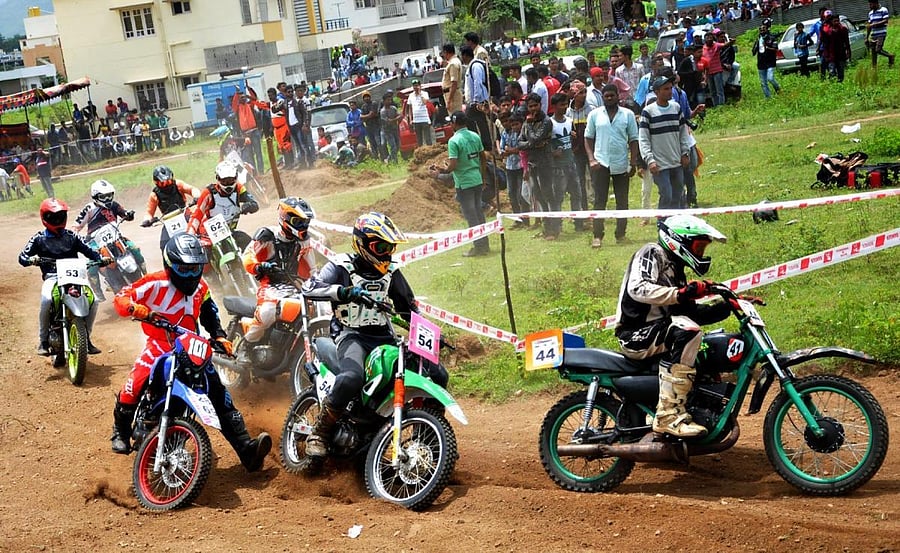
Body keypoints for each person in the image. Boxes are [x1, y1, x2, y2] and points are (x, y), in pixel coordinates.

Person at [108, 233, 272, 471]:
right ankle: (120, 431)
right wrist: (135, 308)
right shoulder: (154, 282)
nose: (190, 274)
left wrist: (219, 336)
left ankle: (247, 449)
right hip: (159, 344)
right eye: (184, 269)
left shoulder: (201, 288)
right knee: (134, 384)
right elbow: (122, 297)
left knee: (219, 394)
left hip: (191, 345)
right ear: (170, 264)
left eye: (195, 268)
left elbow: (209, 313)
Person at [302, 212, 437, 458]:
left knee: (436, 373)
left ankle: (428, 439)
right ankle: (319, 433)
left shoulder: (392, 272)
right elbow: (309, 287)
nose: (386, 254)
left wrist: (431, 335)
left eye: (390, 248)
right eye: (381, 247)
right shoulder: (341, 266)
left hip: (384, 336)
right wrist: (344, 292)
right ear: (362, 243)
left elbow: (409, 309)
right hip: (351, 334)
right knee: (352, 377)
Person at [614, 215, 732, 437]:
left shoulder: (676, 269)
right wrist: (681, 293)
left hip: (657, 331)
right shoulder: (651, 252)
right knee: (687, 331)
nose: (701, 254)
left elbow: (688, 312)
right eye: (698, 247)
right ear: (679, 241)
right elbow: (638, 288)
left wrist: (727, 307)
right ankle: (667, 415)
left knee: (701, 344)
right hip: (634, 334)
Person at [18, 199, 110, 356]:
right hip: (52, 277)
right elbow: (22, 257)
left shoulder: (72, 236)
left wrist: (101, 258)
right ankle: (43, 341)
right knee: (47, 300)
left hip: (75, 276)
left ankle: (86, 338)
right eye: (53, 216)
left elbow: (90, 251)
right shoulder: (38, 238)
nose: (57, 219)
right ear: (45, 217)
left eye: (60, 216)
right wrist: (31, 260)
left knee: (94, 301)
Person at [240, 197, 317, 347]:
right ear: (284, 218)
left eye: (305, 222)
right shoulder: (267, 235)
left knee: (317, 307)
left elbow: (313, 269)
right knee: (268, 312)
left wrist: (320, 281)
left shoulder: (304, 241)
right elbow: (248, 255)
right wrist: (259, 266)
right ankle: (246, 345)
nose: (303, 226)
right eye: (298, 222)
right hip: (270, 285)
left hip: (294, 286)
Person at [585, 83, 640, 249]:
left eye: (612, 95)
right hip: (600, 163)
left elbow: (633, 139)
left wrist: (633, 162)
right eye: (606, 96)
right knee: (599, 201)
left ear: (618, 96)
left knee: (622, 201)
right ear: (603, 97)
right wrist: (591, 159)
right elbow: (588, 138)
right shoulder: (595, 115)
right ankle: (597, 236)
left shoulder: (628, 115)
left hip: (621, 163)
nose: (609, 98)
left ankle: (620, 234)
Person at [429, 111, 490, 256]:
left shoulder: (454, 141)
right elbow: (483, 158)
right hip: (476, 179)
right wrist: (482, 176)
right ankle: (484, 244)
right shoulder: (475, 136)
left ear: (454, 123)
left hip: (464, 182)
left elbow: (453, 166)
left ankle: (478, 247)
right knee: (479, 213)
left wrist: (441, 170)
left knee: (471, 215)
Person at [73, 180, 146, 301]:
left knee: (134, 249)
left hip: (116, 236)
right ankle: (97, 291)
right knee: (92, 264)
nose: (107, 199)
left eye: (109, 195)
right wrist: (74, 234)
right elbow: (77, 225)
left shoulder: (114, 205)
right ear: (95, 196)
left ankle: (146, 275)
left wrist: (129, 214)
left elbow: (124, 213)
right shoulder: (89, 208)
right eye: (103, 197)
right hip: (94, 240)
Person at [638, 75, 691, 210]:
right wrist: (650, 160)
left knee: (678, 194)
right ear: (657, 92)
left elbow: (683, 133)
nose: (669, 91)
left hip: (676, 161)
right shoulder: (648, 112)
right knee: (666, 194)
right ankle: (662, 220)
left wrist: (685, 152)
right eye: (666, 89)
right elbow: (643, 139)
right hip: (660, 163)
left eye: (670, 88)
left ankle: (675, 220)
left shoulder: (676, 108)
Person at [187, 161, 259, 253]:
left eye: (230, 180)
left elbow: (254, 203)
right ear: (218, 178)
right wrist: (189, 236)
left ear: (236, 177)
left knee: (250, 245)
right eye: (224, 181)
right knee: (204, 255)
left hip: (229, 233)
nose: (228, 184)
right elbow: (197, 216)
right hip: (209, 236)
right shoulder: (208, 193)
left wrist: (249, 205)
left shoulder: (239, 189)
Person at [518, 93, 558, 240]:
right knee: (538, 195)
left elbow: (535, 138)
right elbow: (519, 143)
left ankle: (555, 228)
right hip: (532, 163)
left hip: (545, 163)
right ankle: (547, 228)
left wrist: (531, 136)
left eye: (535, 105)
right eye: (530, 106)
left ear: (540, 105)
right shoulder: (527, 121)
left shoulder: (546, 122)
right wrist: (532, 144)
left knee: (548, 194)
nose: (533, 109)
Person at [140, 165, 201, 251]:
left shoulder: (178, 184)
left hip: (185, 215)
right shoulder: (154, 195)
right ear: (156, 182)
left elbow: (192, 189)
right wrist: (147, 220)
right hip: (169, 222)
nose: (166, 185)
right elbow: (149, 213)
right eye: (162, 183)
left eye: (168, 181)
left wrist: (197, 196)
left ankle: (208, 252)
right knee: (164, 245)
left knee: (200, 231)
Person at [549, 93, 584, 233]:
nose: (564, 107)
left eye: (565, 104)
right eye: (561, 105)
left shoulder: (569, 121)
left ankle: (579, 224)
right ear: (554, 106)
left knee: (577, 194)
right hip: (557, 167)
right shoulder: (549, 124)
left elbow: (573, 139)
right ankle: (557, 226)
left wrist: (572, 137)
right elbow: (544, 144)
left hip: (571, 163)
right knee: (558, 197)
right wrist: (552, 153)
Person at [752, 18, 781, 99]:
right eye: (760, 29)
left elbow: (775, 49)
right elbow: (754, 51)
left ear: (767, 29)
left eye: (763, 29)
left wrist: (767, 48)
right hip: (761, 63)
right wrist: (755, 48)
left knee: (770, 78)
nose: (761, 30)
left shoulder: (772, 37)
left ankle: (777, 88)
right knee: (763, 82)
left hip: (770, 62)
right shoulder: (758, 39)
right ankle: (768, 98)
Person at [821, 12, 851, 83]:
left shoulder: (843, 30)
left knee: (841, 72)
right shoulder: (828, 31)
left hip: (841, 54)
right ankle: (833, 84)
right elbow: (825, 44)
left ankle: (840, 84)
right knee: (832, 71)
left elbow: (847, 42)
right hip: (831, 55)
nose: (836, 22)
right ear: (831, 22)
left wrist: (848, 52)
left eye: (838, 21)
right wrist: (826, 55)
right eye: (835, 21)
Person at [405, 80, 435, 148]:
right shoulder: (411, 95)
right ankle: (421, 151)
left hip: (424, 119)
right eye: (414, 86)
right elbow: (410, 108)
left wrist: (420, 93)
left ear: (420, 86)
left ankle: (430, 151)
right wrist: (411, 119)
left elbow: (424, 102)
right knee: (419, 139)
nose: (415, 87)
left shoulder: (425, 93)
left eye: (417, 85)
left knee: (427, 139)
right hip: (416, 120)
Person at [867, 0, 895, 68]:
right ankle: (874, 67)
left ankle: (890, 56)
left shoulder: (883, 10)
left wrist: (874, 24)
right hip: (873, 34)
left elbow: (885, 20)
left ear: (876, 3)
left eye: (871, 4)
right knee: (873, 51)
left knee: (878, 50)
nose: (869, 6)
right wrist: (867, 37)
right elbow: (869, 26)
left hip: (881, 33)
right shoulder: (870, 13)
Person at [359, 91, 383, 161]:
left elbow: (372, 114)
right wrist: (368, 116)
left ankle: (383, 156)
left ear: (370, 97)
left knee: (378, 142)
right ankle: (375, 158)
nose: (366, 98)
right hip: (368, 127)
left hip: (376, 125)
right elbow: (361, 117)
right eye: (365, 97)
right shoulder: (363, 106)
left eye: (367, 96)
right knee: (372, 143)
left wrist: (366, 116)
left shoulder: (374, 103)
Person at [441, 44, 463, 114]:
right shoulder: (455, 61)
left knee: (455, 117)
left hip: (453, 95)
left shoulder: (453, 64)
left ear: (446, 52)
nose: (443, 55)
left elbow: (454, 83)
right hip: (452, 94)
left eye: (443, 53)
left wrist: (449, 100)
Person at [379, 93, 402, 163]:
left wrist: (394, 119)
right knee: (393, 146)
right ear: (384, 101)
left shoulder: (393, 108)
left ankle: (388, 159)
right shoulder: (382, 111)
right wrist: (396, 119)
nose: (390, 101)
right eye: (388, 100)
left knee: (398, 146)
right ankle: (395, 162)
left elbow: (400, 116)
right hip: (387, 131)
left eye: (390, 100)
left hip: (395, 129)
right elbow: (388, 121)